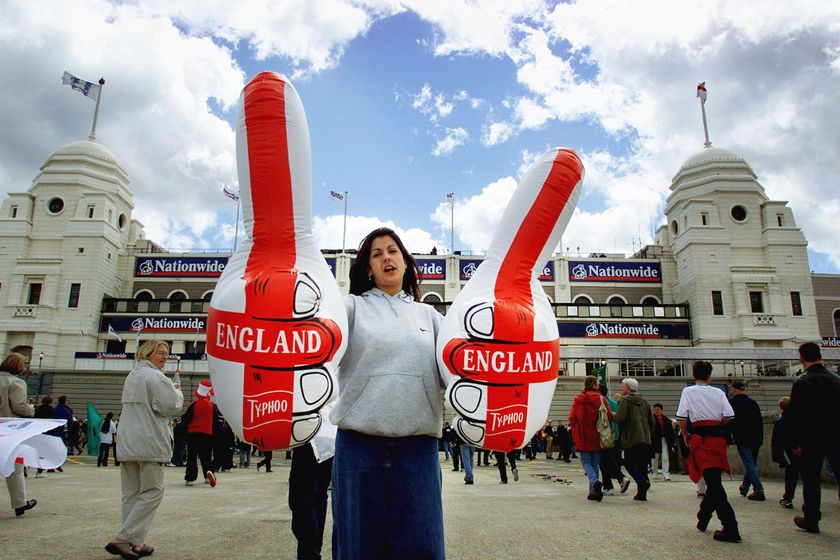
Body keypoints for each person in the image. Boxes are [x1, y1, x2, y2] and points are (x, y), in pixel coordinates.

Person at [330, 227, 446, 559]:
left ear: (406, 262)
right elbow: (317, 341)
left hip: (418, 446)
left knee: (422, 544)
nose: (386, 258)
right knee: (357, 545)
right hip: (358, 445)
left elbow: (457, 368)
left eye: (392, 251)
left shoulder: (430, 316)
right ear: (368, 268)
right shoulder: (350, 308)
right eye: (377, 254)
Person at [105, 339, 184, 560]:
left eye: (166, 352)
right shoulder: (157, 378)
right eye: (160, 352)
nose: (164, 356)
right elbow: (170, 406)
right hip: (150, 441)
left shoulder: (133, 376)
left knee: (131, 493)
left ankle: (135, 542)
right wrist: (177, 391)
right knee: (152, 491)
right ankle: (123, 537)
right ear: (148, 353)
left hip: (129, 440)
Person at [676, 361, 740, 543]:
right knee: (714, 479)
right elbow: (729, 415)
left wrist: (687, 434)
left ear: (694, 374)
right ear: (710, 375)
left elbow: (681, 416)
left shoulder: (688, 391)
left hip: (701, 438)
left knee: (713, 482)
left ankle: (731, 527)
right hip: (718, 439)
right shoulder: (719, 392)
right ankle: (703, 516)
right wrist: (717, 424)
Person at [786, 342, 840, 534]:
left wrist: (794, 442)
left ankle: (811, 518)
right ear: (820, 356)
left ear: (801, 358)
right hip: (836, 435)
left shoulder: (802, 381)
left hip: (812, 438)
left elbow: (795, 415)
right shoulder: (836, 380)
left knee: (811, 479)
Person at [1, 352, 38, 517]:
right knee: (15, 466)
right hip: (10, 428)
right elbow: (19, 407)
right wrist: (31, 408)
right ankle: (19, 503)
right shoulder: (16, 383)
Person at [569, 375, 609, 502]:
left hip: (583, 435)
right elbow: (608, 415)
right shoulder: (601, 399)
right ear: (595, 385)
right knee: (595, 464)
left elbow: (571, 417)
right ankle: (593, 492)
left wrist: (577, 426)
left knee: (586, 462)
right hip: (597, 434)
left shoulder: (578, 399)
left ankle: (594, 482)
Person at [615, 378, 654, 500]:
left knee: (629, 463)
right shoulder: (644, 401)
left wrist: (613, 415)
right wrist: (648, 433)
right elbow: (652, 421)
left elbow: (620, 418)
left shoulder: (625, 400)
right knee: (642, 465)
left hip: (631, 437)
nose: (621, 388)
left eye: (623, 386)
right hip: (645, 438)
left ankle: (642, 482)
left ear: (628, 388)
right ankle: (641, 494)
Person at [728, 380, 765, 501]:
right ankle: (745, 486)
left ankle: (759, 489)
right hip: (756, 437)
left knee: (749, 463)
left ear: (734, 389)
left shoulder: (731, 402)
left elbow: (728, 420)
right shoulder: (753, 403)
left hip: (742, 437)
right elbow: (759, 422)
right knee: (751, 463)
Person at [181, 380, 217, 487]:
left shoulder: (194, 405)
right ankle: (208, 473)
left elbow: (186, 419)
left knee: (192, 458)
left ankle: (190, 478)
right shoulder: (211, 406)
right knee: (206, 456)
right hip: (207, 434)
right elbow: (215, 421)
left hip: (193, 434)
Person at [598, 385, 629, 495]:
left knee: (605, 461)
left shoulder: (601, 403)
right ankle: (610, 485)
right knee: (607, 461)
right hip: (615, 436)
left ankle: (619, 479)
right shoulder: (614, 404)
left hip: (606, 437)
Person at [770, 397, 799, 509]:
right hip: (802, 450)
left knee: (791, 475)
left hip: (790, 451)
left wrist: (794, 447)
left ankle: (788, 498)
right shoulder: (799, 417)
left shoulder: (782, 421)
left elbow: (783, 437)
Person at [651, 403, 676, 481]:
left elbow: (671, 432)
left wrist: (672, 443)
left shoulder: (667, 420)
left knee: (665, 457)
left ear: (661, 410)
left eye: (658, 409)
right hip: (654, 441)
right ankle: (654, 472)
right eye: (655, 409)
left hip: (664, 440)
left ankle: (666, 474)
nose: (656, 411)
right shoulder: (651, 420)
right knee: (655, 458)